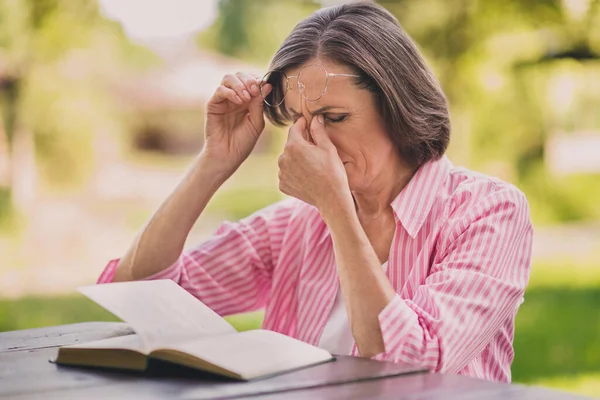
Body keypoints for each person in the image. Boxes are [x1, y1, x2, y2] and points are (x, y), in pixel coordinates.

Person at [97, 1, 533, 383]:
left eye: (335, 117)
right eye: (300, 120)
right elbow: (140, 292)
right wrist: (214, 161)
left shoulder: (488, 213)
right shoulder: (294, 227)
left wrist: (335, 208)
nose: (312, 140)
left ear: (397, 106)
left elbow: (411, 361)